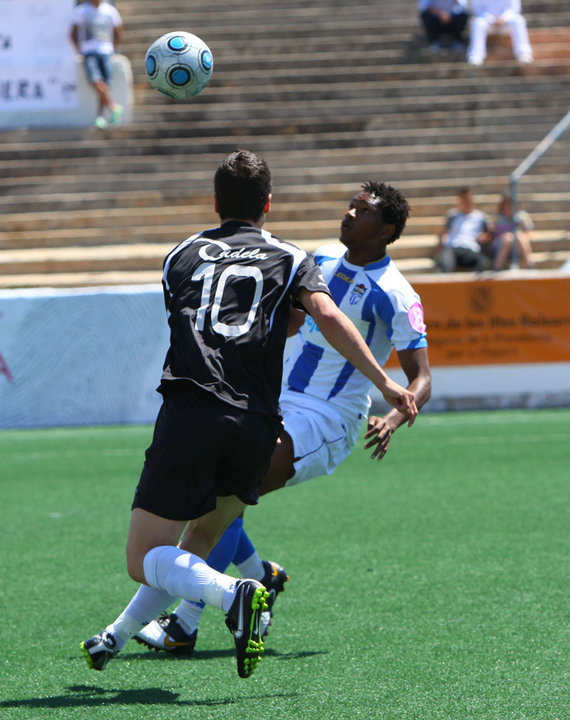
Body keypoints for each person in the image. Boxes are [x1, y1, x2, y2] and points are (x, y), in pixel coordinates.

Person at [80, 151, 419, 680]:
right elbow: (292, 321)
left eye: (363, 209)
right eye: (350, 205)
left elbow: (419, 371)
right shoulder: (309, 257)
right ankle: (136, 628)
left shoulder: (395, 292)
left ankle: (211, 604)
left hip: (320, 419)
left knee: (183, 532)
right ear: (267, 203)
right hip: (264, 408)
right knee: (212, 516)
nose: (351, 213)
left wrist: (390, 397)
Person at [70, 0, 124, 129]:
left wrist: (113, 48)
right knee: (95, 80)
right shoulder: (81, 11)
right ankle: (112, 106)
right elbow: (73, 33)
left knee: (104, 84)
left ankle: (100, 117)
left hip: (106, 52)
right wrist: (79, 49)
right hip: (89, 51)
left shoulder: (110, 10)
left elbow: (118, 32)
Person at [435, 187, 493, 273]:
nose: (467, 203)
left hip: (471, 249)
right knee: (445, 263)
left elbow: (490, 233)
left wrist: (485, 237)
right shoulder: (452, 215)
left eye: (469, 200)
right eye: (464, 200)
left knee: (483, 263)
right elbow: (443, 232)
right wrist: (440, 246)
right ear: (459, 201)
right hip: (452, 248)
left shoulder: (481, 216)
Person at [466, 0, 533, 66]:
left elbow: (514, 8)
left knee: (518, 21)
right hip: (487, 23)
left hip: (506, 23)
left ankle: (524, 53)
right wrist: (491, 19)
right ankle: (476, 56)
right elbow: (477, 9)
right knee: (478, 23)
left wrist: (503, 18)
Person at [490, 193, 535, 270]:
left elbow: (527, 232)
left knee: (518, 236)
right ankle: (497, 267)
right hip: (501, 245)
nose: (509, 208)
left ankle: (529, 265)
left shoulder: (521, 216)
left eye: (511, 205)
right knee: (508, 238)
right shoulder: (499, 217)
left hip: (518, 244)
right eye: (507, 205)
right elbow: (494, 234)